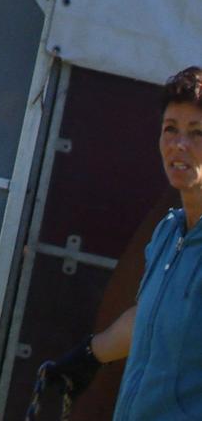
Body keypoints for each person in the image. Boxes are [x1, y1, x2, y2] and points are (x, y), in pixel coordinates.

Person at [38, 64, 202, 420]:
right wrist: (88, 356)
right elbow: (151, 315)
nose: (179, 144)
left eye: (197, 133)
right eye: (170, 129)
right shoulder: (168, 233)